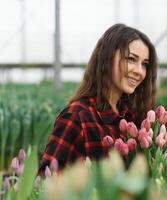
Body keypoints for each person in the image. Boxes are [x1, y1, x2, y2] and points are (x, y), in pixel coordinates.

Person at [38, 23, 158, 174]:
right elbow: (46, 182)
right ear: (107, 57)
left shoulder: (132, 117)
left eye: (144, 64)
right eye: (131, 59)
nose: (139, 71)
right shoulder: (77, 117)